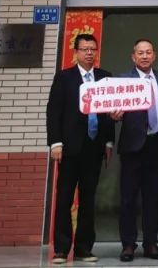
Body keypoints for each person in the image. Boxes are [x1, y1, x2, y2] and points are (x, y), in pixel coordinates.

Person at [46, 33, 116, 265]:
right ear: (76, 52)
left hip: (94, 148)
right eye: (84, 49)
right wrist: (55, 142)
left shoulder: (105, 78)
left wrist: (108, 141)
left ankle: (84, 248)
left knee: (88, 199)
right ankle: (61, 249)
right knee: (64, 198)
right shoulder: (64, 77)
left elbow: (110, 111)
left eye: (92, 49)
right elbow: (54, 111)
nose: (89, 53)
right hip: (69, 148)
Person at [113, 39, 158, 262]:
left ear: (154, 55)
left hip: (156, 145)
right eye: (140, 53)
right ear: (133, 57)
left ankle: (151, 243)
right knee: (128, 198)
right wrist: (114, 115)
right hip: (132, 146)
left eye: (148, 52)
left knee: (153, 198)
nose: (145, 56)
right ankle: (128, 244)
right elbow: (112, 110)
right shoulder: (122, 81)